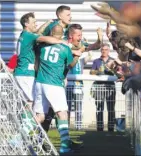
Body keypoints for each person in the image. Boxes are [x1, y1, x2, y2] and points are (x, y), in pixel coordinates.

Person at [33, 25, 78, 154]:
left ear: (51, 33)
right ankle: (65, 145)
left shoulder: (42, 46)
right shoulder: (64, 48)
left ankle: (19, 137)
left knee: (40, 115)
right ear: (62, 33)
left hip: (40, 82)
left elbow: (38, 38)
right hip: (54, 83)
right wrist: (77, 55)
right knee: (62, 113)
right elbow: (69, 65)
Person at [66, 24, 103, 130]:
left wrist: (100, 38)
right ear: (71, 36)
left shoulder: (81, 45)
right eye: (78, 35)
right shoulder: (64, 44)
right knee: (65, 109)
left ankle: (78, 126)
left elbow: (95, 46)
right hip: (64, 83)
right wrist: (76, 52)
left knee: (78, 107)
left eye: (81, 35)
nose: (80, 37)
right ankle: (65, 127)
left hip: (78, 85)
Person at [90, 43, 116, 132]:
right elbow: (91, 72)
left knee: (111, 108)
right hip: (99, 86)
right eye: (102, 50)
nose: (104, 51)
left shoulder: (113, 60)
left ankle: (111, 127)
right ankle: (100, 127)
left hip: (110, 86)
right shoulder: (96, 61)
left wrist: (111, 70)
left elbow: (117, 72)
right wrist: (98, 71)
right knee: (99, 108)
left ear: (109, 51)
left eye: (106, 49)